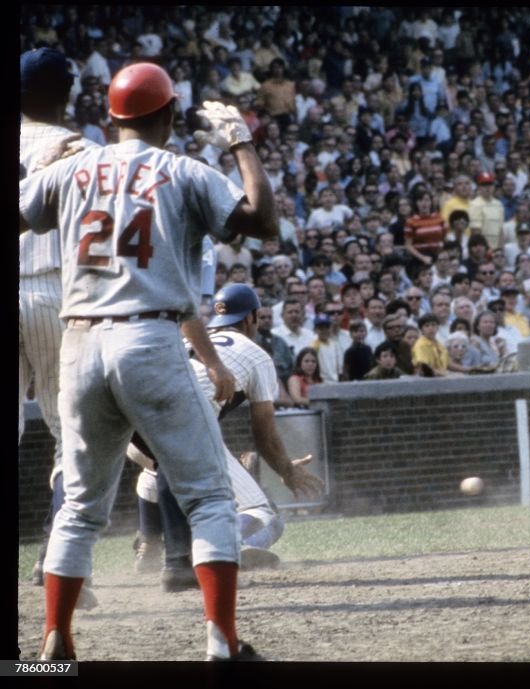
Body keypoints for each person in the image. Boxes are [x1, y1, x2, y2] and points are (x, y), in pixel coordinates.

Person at [20, 62, 278, 660]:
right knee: (211, 498)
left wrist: (40, 169)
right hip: (150, 337)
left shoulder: (71, 165)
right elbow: (263, 223)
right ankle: (223, 646)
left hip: (79, 342)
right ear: (166, 117)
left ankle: (52, 642)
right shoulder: (185, 170)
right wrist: (239, 140)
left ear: (110, 119)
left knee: (82, 507)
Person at [128, 285, 324, 590]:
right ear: (252, 318)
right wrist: (285, 470)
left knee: (155, 472)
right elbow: (265, 434)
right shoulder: (255, 355)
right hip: (184, 423)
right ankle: (228, 546)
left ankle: (150, 543)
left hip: (135, 427)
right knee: (265, 514)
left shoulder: (190, 340)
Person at [20, 48, 102, 604]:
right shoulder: (84, 148)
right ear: (67, 93)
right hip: (54, 291)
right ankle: (63, 564)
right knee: (69, 436)